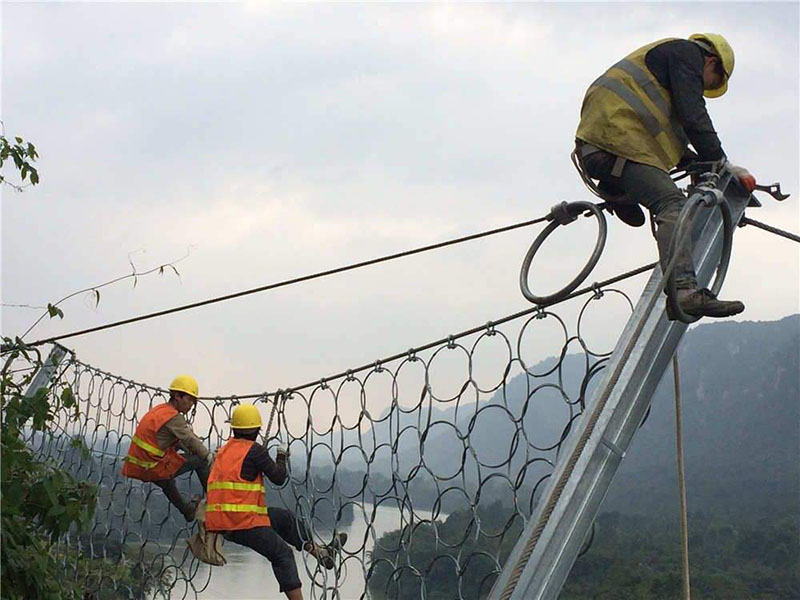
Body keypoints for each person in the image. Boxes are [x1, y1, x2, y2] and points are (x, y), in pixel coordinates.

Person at [573, 33, 756, 319]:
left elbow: (661, 129)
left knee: (657, 188)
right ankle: (684, 291)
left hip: (605, 145)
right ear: (711, 61)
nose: (702, 88)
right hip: (617, 144)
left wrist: (698, 160)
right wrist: (720, 160)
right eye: (709, 82)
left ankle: (619, 192)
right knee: (672, 205)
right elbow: (693, 114)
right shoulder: (686, 54)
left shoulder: (663, 67)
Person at [205, 403, 346, 600]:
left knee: (284, 519)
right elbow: (279, 477)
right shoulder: (254, 451)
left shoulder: (223, 450)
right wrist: (281, 456)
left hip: (227, 522)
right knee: (282, 554)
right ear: (256, 430)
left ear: (234, 428)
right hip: (243, 523)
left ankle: (322, 554)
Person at [122, 374, 211, 521]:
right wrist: (208, 456)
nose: (191, 405)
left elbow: (173, 439)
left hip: (138, 465)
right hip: (153, 467)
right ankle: (216, 500)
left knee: (166, 480)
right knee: (200, 460)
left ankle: (187, 510)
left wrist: (186, 447)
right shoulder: (174, 418)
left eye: (194, 401)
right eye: (189, 399)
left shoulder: (160, 410)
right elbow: (189, 439)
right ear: (177, 396)